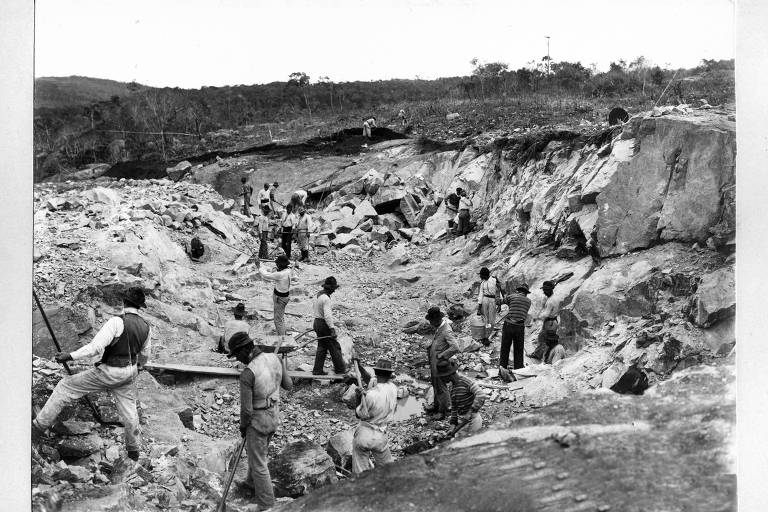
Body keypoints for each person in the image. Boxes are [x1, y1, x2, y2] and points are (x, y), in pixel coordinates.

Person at [32, 288, 151, 461]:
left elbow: (95, 347)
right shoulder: (146, 327)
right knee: (130, 412)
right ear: (139, 307)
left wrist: (70, 355)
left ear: (124, 302)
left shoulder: (117, 322)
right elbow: (145, 354)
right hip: (130, 372)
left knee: (66, 385)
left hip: (110, 372)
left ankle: (37, 427)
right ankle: (133, 452)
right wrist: (138, 366)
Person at [229, 332, 292, 509]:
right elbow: (288, 385)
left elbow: (247, 410)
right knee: (259, 454)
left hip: (258, 421)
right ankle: (250, 485)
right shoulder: (275, 358)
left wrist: (243, 427)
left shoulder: (248, 374)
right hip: (273, 416)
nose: (237, 359)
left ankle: (267, 504)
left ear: (243, 351)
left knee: (259, 464)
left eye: (236, 355)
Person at [351, 358, 398, 474]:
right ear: (390, 374)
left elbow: (359, 415)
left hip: (365, 434)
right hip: (380, 435)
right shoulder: (393, 388)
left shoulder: (370, 395)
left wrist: (358, 397)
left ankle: (360, 487)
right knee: (388, 469)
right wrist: (359, 366)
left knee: (360, 471)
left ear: (376, 373)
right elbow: (368, 379)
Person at [423, 306, 459, 420]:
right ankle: (436, 407)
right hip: (434, 364)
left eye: (431, 321)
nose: (430, 323)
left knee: (441, 388)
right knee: (435, 386)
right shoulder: (439, 328)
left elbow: (455, 347)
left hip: (440, 364)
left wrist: (442, 355)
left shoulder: (446, 330)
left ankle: (443, 412)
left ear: (436, 319)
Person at [437, 359, 487, 437]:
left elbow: (481, 395)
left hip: (473, 419)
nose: (441, 379)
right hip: (462, 420)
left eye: (442, 377)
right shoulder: (451, 387)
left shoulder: (466, 382)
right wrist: (452, 426)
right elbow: (454, 408)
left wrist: (470, 412)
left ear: (448, 375)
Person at [312, 277, 346, 376]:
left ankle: (317, 370)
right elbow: (327, 315)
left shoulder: (318, 295)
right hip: (323, 323)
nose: (334, 291)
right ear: (330, 288)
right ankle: (340, 369)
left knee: (322, 346)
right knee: (334, 346)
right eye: (333, 289)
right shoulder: (326, 298)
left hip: (317, 321)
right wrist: (332, 329)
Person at [499, 283, 532, 372]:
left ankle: (502, 369)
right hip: (520, 327)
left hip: (509, 324)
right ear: (526, 293)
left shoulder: (512, 297)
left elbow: (501, 302)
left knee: (505, 347)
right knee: (518, 349)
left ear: (518, 291)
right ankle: (518, 370)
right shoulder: (528, 301)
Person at [257, 255, 292, 337]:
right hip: (284, 296)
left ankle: (282, 340)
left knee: (278, 320)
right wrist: (262, 264)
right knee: (280, 317)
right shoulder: (288, 270)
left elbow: (266, 275)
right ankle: (283, 334)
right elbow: (274, 271)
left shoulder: (280, 274)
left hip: (280, 298)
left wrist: (259, 266)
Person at [530, 281, 561, 361]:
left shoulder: (550, 301)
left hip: (549, 322)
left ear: (549, 290)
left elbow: (546, 314)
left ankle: (539, 355)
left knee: (542, 338)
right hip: (554, 321)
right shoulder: (554, 298)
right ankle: (547, 356)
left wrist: (537, 318)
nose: (543, 292)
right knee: (549, 338)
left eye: (545, 290)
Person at [476, 267, 501, 347]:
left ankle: (487, 334)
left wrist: (499, 304)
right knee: (486, 319)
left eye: (482, 275)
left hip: (492, 301)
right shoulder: (483, 283)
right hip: (484, 300)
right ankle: (485, 337)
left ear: (486, 274)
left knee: (492, 320)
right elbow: (481, 294)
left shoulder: (494, 280)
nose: (481, 276)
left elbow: (498, 292)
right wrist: (479, 307)